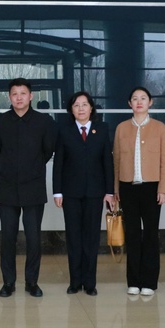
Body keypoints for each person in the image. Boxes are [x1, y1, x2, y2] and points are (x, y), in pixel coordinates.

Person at [0, 77, 57, 298]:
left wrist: (31, 167)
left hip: (34, 187)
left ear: (31, 96)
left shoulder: (44, 121)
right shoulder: (0, 122)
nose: (19, 98)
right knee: (7, 238)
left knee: (33, 238)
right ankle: (8, 282)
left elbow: (48, 150)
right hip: (7, 187)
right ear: (9, 97)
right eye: (14, 94)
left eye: (23, 93)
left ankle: (32, 282)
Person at [52, 91, 114, 296]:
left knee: (91, 238)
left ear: (91, 108)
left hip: (95, 193)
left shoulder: (102, 129)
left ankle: (90, 283)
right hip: (70, 193)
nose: (81, 108)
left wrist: (109, 191)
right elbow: (59, 163)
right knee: (73, 238)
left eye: (84, 104)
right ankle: (74, 282)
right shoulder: (64, 131)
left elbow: (107, 162)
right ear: (71, 109)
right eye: (76, 105)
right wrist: (57, 191)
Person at [113, 87, 165, 297]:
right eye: (135, 99)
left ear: (150, 102)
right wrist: (116, 189)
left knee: (151, 234)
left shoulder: (160, 128)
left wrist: (163, 189)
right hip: (127, 187)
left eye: (143, 98)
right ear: (129, 103)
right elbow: (116, 162)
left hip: (152, 187)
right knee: (133, 234)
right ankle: (133, 280)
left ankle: (149, 281)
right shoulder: (121, 128)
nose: (139, 102)